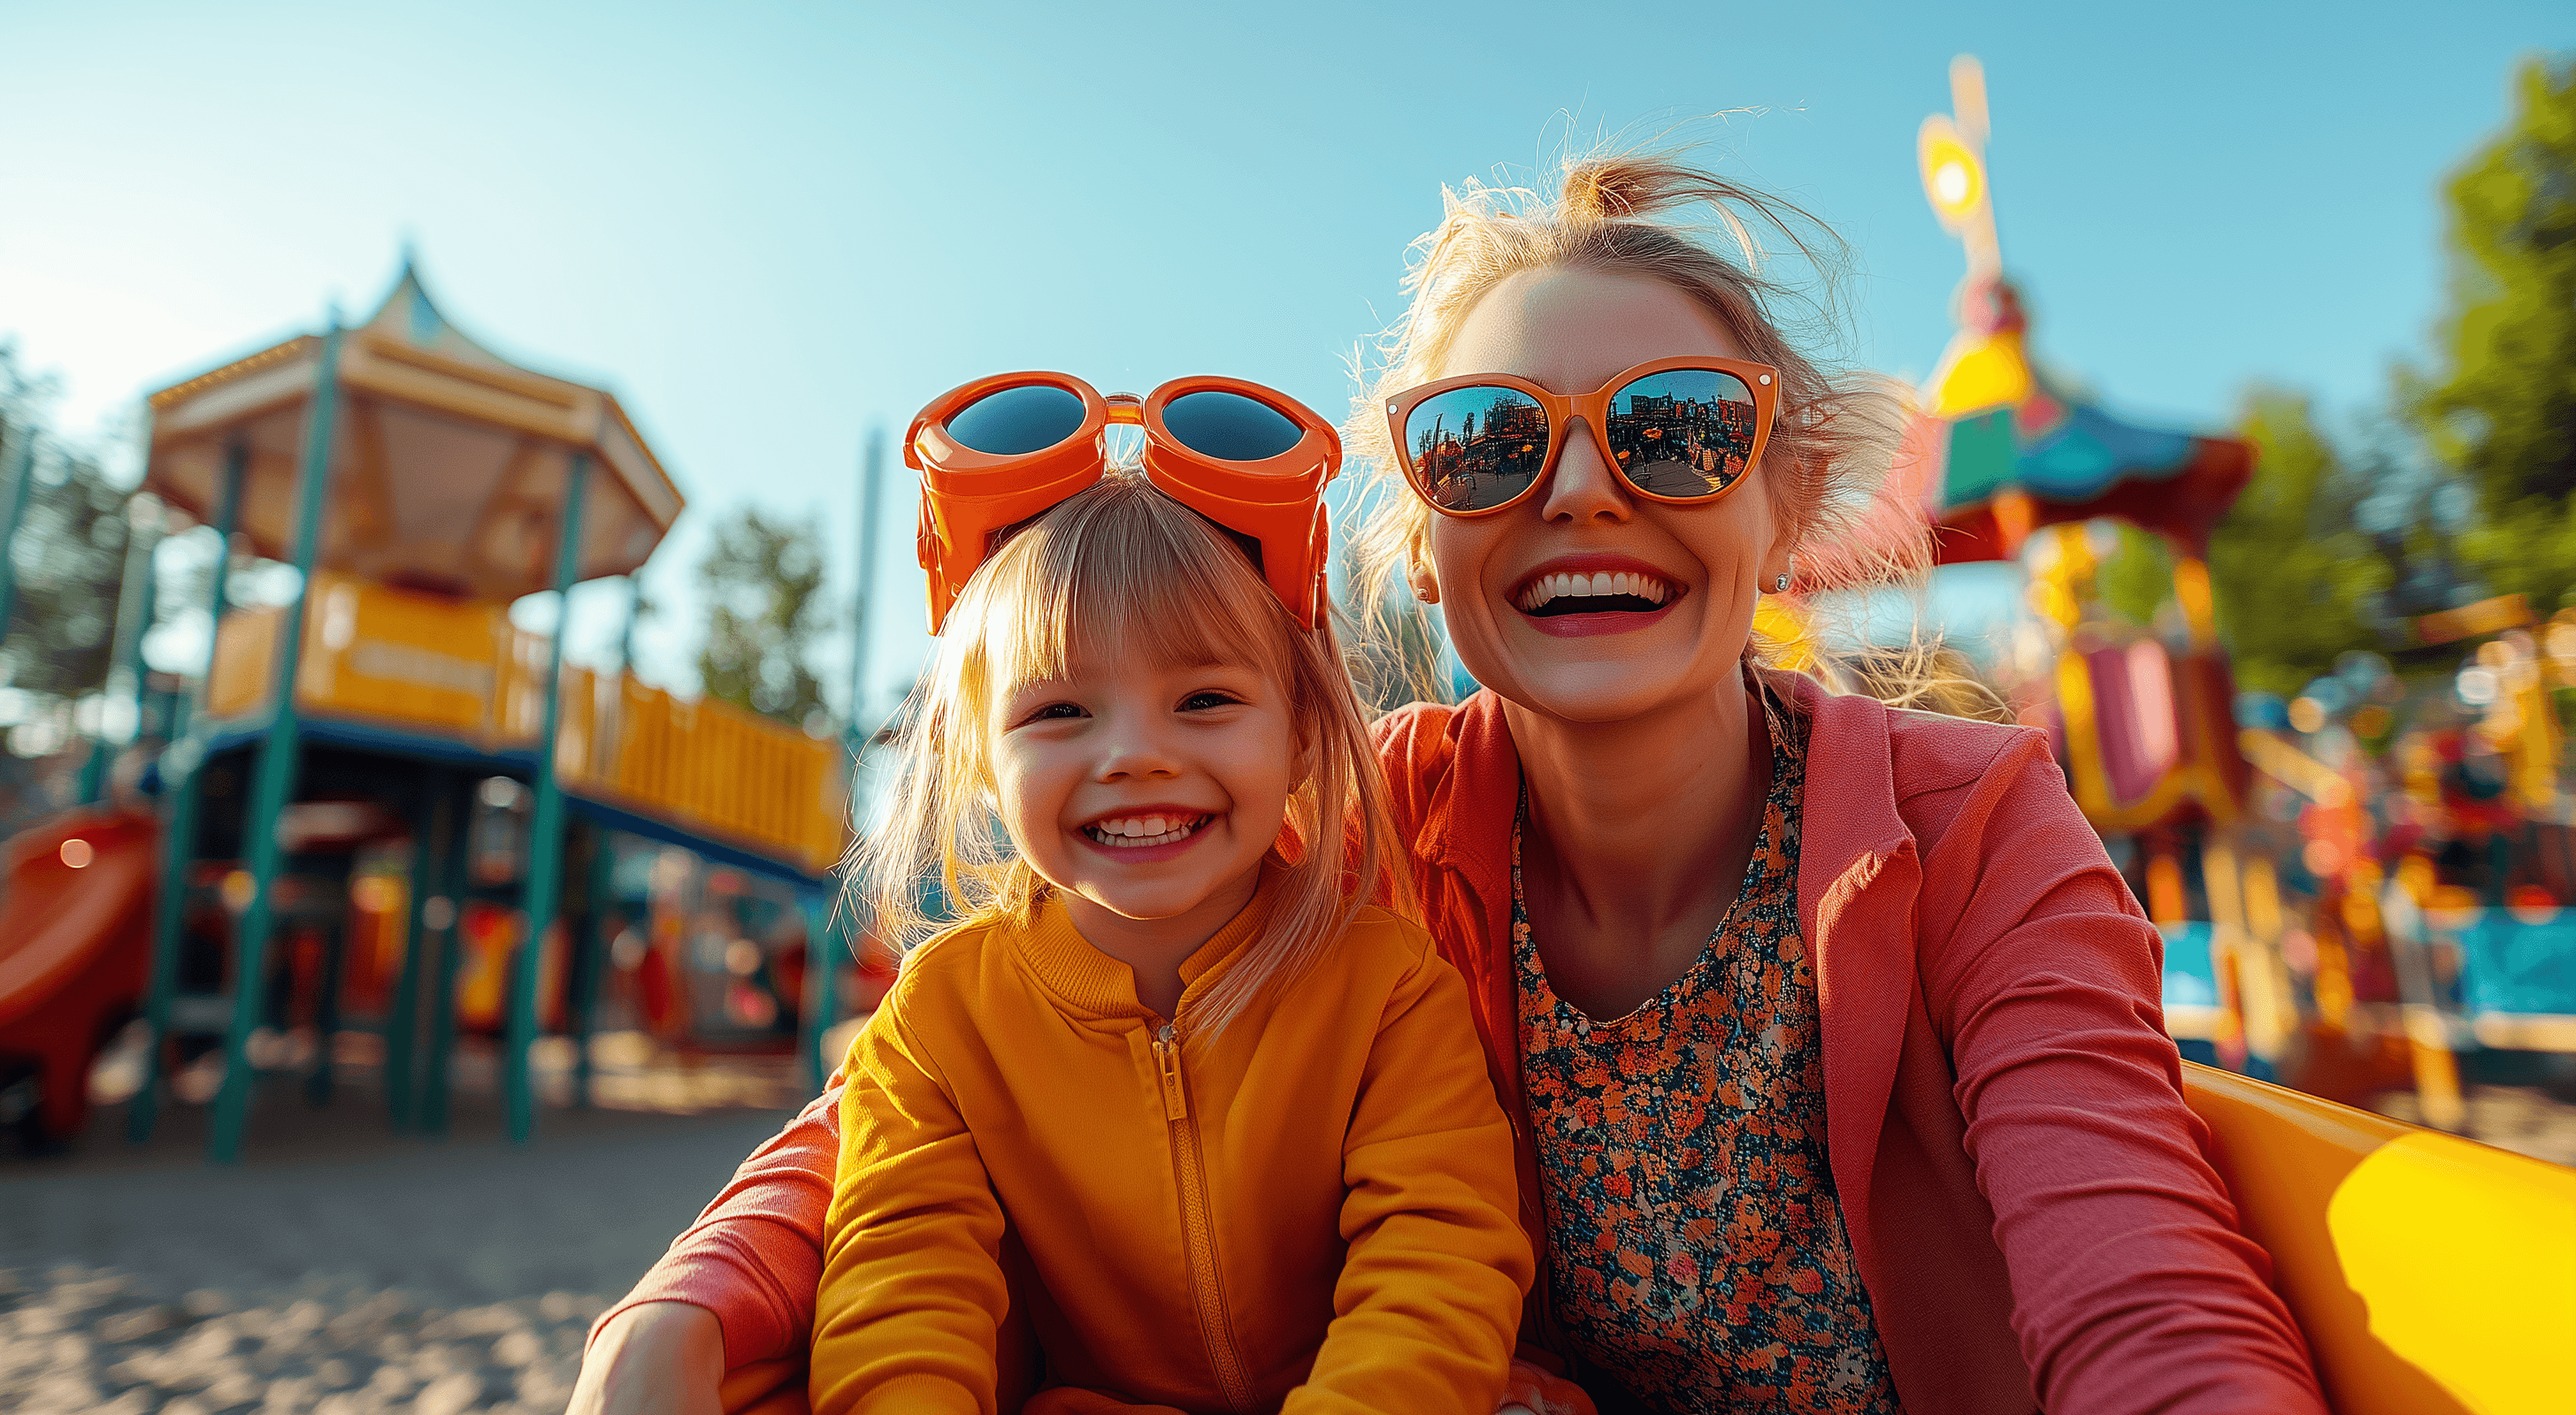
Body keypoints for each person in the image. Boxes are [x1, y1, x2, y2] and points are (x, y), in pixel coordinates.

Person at [574, 152, 2327, 1415]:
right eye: (1492, 443)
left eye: (1674, 428)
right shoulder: (1363, 830)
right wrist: (689, 1295)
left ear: (1782, 501)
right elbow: (934, 1078)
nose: (1580, 490)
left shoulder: (1968, 826)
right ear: (1424, 548)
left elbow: (2139, 1289)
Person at [806, 371, 1533, 1414]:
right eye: (1059, 711)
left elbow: (1437, 1257)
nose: (1136, 756)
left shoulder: (1381, 988)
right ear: (978, 757)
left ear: (1301, 738)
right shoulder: (939, 1024)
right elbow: (898, 1284)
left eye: (1203, 699)